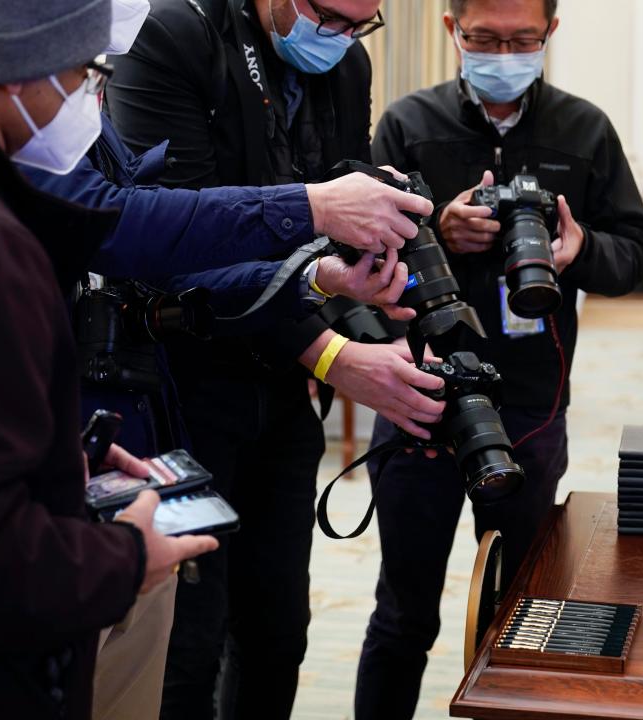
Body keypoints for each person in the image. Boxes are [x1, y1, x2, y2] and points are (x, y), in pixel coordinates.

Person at [0, 2, 218, 718]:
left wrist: (48, 452)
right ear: (20, 69)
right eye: (85, 74)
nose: (89, 97)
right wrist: (121, 562)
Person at [104, 2, 446, 718]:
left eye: (363, 22)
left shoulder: (346, 62)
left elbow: (327, 250)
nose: (343, 37)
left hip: (282, 394)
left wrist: (373, 313)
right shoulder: (173, 37)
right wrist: (332, 356)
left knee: (278, 634)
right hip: (180, 392)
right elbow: (171, 249)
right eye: (330, 14)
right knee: (184, 651)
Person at [356, 0, 643, 717]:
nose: (504, 51)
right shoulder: (407, 124)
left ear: (552, 32)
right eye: (485, 37)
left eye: (523, 38)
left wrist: (581, 252)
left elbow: (633, 254)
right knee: (403, 615)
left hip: (530, 404)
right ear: (451, 29)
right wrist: (435, 230)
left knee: (526, 614)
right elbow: (355, 260)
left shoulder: (584, 129)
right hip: (422, 397)